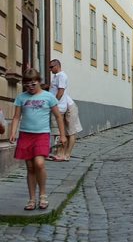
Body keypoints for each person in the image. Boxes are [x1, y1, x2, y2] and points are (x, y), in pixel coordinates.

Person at [8, 68, 65, 210]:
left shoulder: (48, 97)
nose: (30, 87)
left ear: (38, 82)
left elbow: (58, 116)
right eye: (27, 85)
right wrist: (13, 132)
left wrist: (62, 135)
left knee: (39, 163)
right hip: (26, 135)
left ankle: (43, 195)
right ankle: (32, 198)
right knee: (30, 167)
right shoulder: (21, 97)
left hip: (42, 134)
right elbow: (16, 117)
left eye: (33, 84)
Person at [48, 59, 82, 161]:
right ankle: (61, 153)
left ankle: (66, 154)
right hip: (64, 106)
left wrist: (54, 102)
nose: (50, 69)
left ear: (57, 65)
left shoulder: (61, 76)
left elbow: (61, 91)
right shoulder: (56, 76)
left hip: (68, 107)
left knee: (71, 131)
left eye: (51, 67)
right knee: (63, 131)